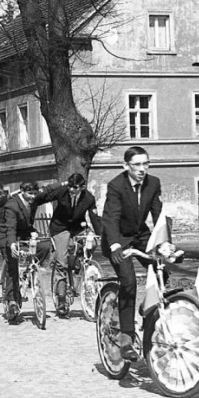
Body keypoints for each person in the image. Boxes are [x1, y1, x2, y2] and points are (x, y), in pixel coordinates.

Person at [101, 146, 162, 361]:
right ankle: (126, 337)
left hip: (140, 235)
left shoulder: (153, 183)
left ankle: (148, 308)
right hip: (118, 238)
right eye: (136, 164)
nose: (142, 169)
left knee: (161, 267)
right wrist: (115, 246)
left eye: (146, 163)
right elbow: (110, 218)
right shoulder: (116, 186)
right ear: (126, 166)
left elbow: (159, 215)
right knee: (128, 281)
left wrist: (165, 244)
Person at [35, 173, 102, 314]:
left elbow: (94, 217)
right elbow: (40, 198)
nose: (72, 189)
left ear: (82, 187)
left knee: (92, 242)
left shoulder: (89, 198)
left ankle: (79, 266)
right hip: (60, 228)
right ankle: (61, 298)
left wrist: (100, 235)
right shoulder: (62, 191)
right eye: (70, 186)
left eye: (75, 187)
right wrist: (55, 185)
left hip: (78, 227)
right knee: (62, 262)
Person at [0, 181, 52, 322]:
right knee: (12, 265)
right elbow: (10, 228)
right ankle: (11, 301)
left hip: (26, 232)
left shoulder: (33, 200)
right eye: (30, 194)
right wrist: (13, 244)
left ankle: (31, 269)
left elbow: (48, 191)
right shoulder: (11, 205)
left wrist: (64, 183)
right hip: (9, 235)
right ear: (21, 191)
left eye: (34, 193)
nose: (33, 197)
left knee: (45, 245)